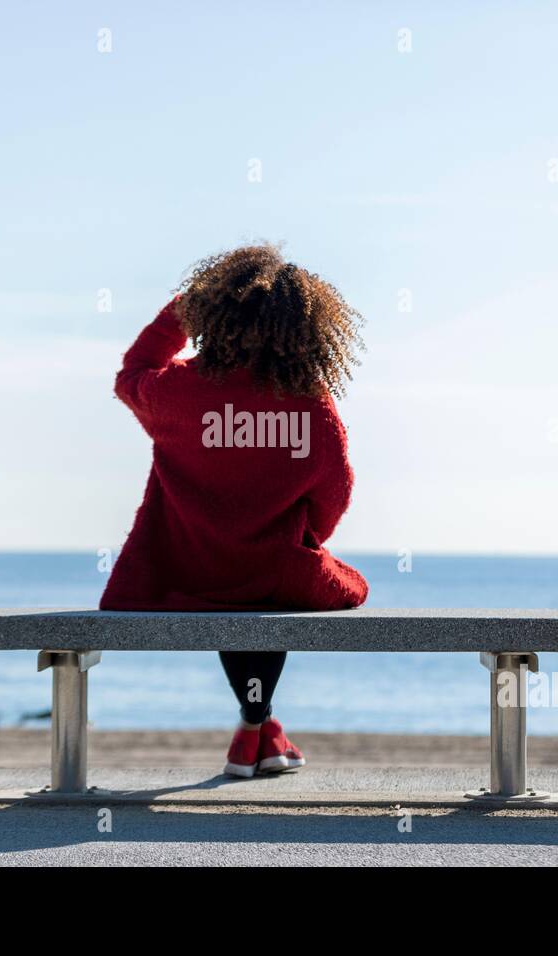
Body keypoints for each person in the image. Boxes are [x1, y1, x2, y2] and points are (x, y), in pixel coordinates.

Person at [100, 243, 369, 777]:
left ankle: (259, 729)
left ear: (213, 317)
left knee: (229, 589)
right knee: (285, 584)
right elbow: (335, 489)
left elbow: (133, 371)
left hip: (191, 569)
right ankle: (258, 731)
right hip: (275, 569)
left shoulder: (177, 391)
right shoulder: (309, 400)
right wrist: (304, 535)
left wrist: (180, 310)